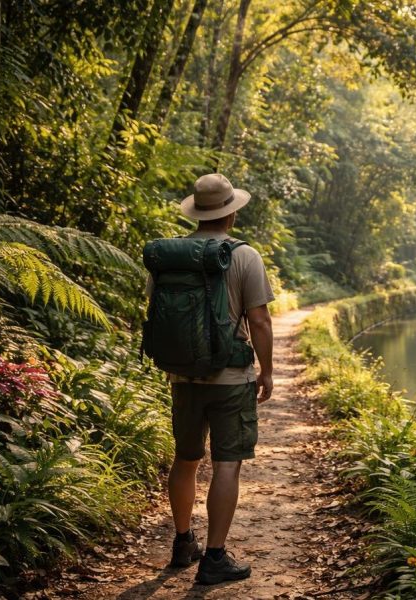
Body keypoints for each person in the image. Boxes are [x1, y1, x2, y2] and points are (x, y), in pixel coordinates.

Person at [151, 173, 275, 585]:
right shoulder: (244, 255)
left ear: (196, 212)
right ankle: (215, 558)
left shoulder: (169, 256)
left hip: (182, 376)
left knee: (185, 459)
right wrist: (268, 370)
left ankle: (183, 542)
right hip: (231, 378)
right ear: (231, 212)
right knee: (227, 463)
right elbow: (259, 319)